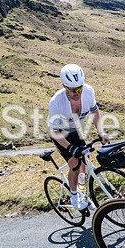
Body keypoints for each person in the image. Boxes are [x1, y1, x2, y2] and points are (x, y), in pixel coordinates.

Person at [46, 64, 109, 210]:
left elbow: (94, 112)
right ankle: (74, 196)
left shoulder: (88, 91)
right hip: (59, 132)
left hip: (74, 129)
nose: (77, 92)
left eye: (80, 88)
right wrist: (69, 147)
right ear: (64, 86)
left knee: (85, 161)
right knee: (74, 163)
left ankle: (83, 193)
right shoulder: (56, 102)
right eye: (73, 90)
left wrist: (101, 131)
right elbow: (53, 131)